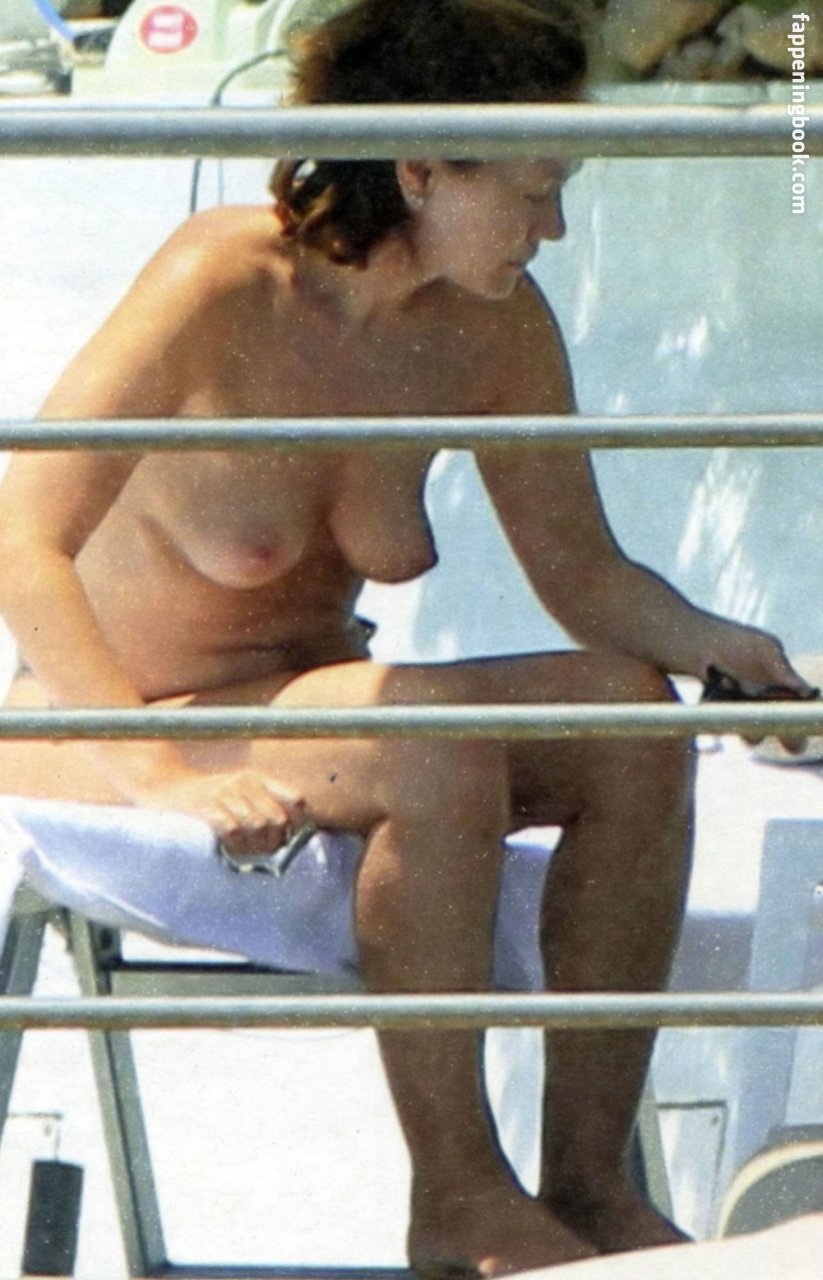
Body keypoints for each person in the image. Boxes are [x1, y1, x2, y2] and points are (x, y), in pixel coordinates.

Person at [0, 1, 810, 1275]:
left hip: (303, 711)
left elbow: (584, 574)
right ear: (421, 168)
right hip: (94, 725)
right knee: (429, 739)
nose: (554, 228)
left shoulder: (497, 323)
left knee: (628, 713)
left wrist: (729, 648)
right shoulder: (222, 277)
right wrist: (152, 769)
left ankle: (588, 1183)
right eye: (535, 192)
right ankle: (458, 1195)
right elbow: (20, 535)